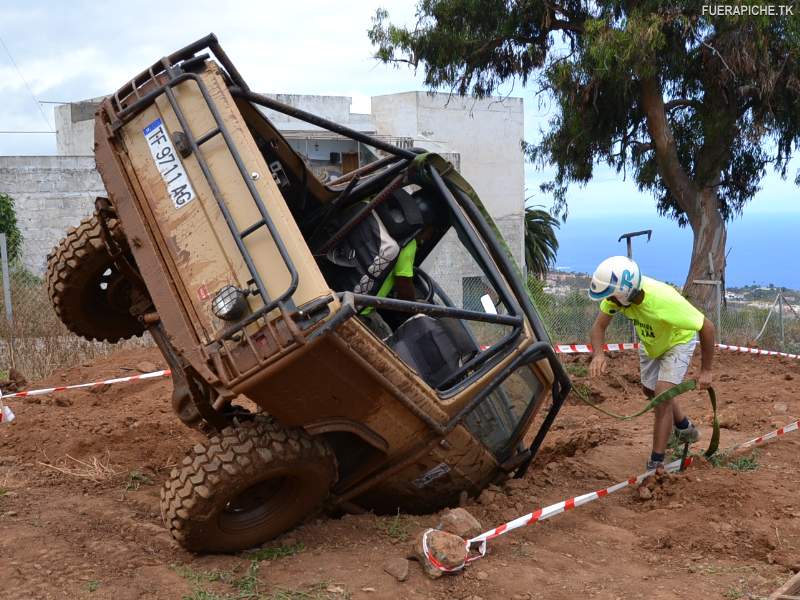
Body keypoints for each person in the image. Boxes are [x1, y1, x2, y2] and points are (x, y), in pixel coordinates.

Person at [587, 256, 715, 470]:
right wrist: (598, 354)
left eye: (612, 297)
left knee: (662, 397)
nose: (609, 301)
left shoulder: (664, 301)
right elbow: (598, 327)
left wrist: (706, 370)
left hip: (677, 342)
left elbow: (707, 327)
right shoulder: (616, 298)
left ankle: (656, 462)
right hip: (651, 342)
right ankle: (684, 426)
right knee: (650, 392)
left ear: (625, 293)